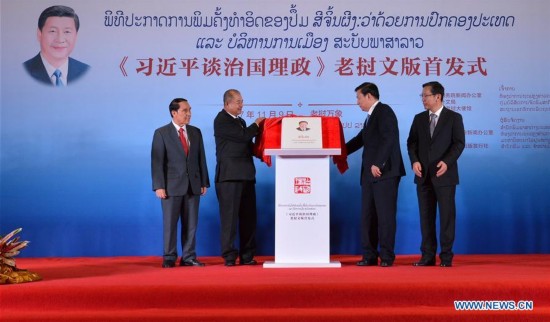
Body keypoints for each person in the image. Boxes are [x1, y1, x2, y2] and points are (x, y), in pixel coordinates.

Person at [345, 82, 405, 267]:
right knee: (368, 216)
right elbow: (359, 140)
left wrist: (378, 163)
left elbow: (390, 138)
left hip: (384, 173)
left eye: (358, 97)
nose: (357, 102)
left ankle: (386, 257)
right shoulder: (370, 118)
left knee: (385, 216)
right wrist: (337, 151)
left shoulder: (384, 111)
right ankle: (369, 255)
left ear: (369, 96)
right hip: (369, 175)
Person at [407, 81, 465, 267]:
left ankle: (446, 257)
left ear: (437, 97)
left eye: (426, 95)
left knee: (447, 217)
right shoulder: (418, 119)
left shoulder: (454, 117)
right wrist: (414, 160)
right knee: (426, 217)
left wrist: (447, 162)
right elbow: (412, 143)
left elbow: (459, 143)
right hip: (423, 175)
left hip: (444, 176)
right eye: (422, 96)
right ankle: (427, 256)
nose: (423, 99)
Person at [151, 98, 210, 268]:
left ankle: (189, 257)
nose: (189, 114)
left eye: (190, 110)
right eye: (185, 110)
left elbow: (201, 158)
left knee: (191, 224)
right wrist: (159, 185)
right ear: (174, 112)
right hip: (170, 187)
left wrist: (203, 181)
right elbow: (157, 162)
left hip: (193, 184)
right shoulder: (161, 133)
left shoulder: (196, 132)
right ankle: (169, 257)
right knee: (170, 224)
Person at [214, 89, 265, 266]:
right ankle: (229, 256)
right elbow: (242, 136)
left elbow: (247, 145)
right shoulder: (221, 120)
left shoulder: (240, 121)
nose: (241, 105)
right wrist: (257, 125)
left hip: (246, 176)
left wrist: (263, 153)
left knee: (248, 218)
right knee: (229, 219)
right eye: (238, 102)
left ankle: (247, 255)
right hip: (229, 177)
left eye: (242, 101)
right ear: (227, 104)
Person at [23, 5, 89, 86]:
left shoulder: (85, 70)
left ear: (76, 36)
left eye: (67, 32)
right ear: (39, 34)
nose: (60, 39)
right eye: (53, 31)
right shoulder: (23, 70)